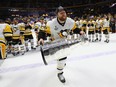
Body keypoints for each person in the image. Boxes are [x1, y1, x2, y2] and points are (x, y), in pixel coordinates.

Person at [38, 6, 84, 83]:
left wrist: (80, 32)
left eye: (64, 12)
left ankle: (61, 64)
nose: (63, 14)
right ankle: (60, 73)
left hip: (64, 42)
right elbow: (42, 31)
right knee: (62, 59)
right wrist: (41, 38)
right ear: (57, 14)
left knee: (62, 58)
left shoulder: (70, 21)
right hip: (54, 43)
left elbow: (75, 28)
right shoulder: (51, 23)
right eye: (61, 13)